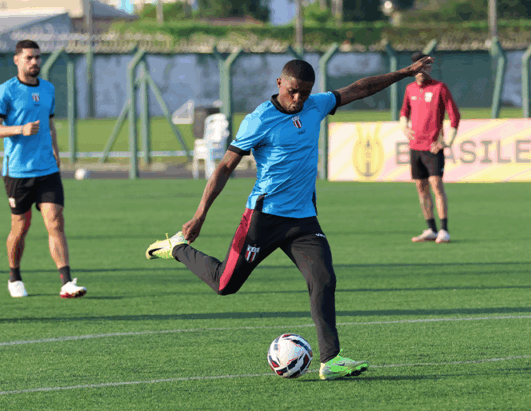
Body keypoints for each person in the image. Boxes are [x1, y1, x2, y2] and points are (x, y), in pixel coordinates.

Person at [145, 56, 434, 380]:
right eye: (294, 91)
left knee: (323, 278)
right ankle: (177, 248)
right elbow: (225, 167)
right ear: (280, 84)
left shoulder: (316, 105)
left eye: (305, 93)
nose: (298, 99)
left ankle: (331, 360)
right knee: (225, 285)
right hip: (263, 218)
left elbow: (359, 89)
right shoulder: (259, 120)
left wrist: (406, 73)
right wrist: (200, 216)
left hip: (303, 222)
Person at [0, 40, 87, 299]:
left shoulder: (48, 89)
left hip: (47, 169)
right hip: (18, 172)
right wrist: (20, 129)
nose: (35, 63)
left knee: (55, 221)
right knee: (20, 228)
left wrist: (56, 151)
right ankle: (14, 275)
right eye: (29, 57)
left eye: (38, 58)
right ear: (17, 59)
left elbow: (49, 124)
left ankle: (66, 281)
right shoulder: (5, 91)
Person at [399, 51, 460, 244]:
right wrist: (403, 127)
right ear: (414, 68)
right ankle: (430, 228)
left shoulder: (440, 88)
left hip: (433, 147)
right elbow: (403, 112)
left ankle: (444, 230)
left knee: (436, 186)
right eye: (421, 66)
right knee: (421, 188)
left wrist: (446, 141)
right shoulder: (409, 89)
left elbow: (454, 116)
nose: (424, 70)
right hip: (415, 146)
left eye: (427, 66)